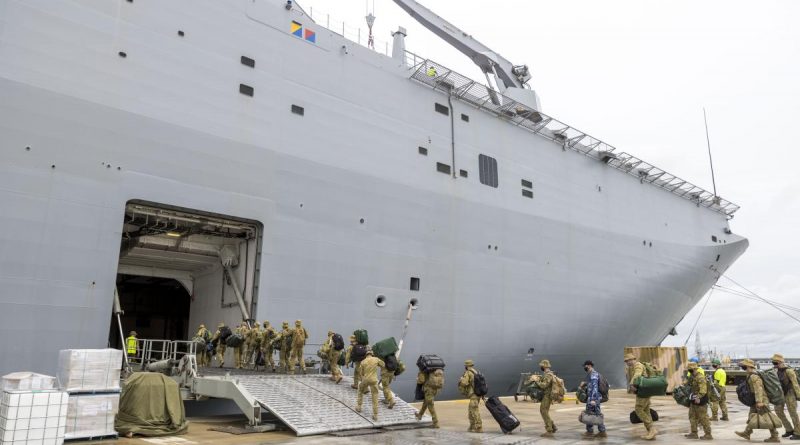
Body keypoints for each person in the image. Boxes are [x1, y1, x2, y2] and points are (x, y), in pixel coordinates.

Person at [736, 359, 781, 442]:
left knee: (767, 417)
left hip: (761, 400)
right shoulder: (750, 375)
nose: (743, 367)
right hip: (756, 400)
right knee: (751, 415)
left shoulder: (754, 376)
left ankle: (775, 436)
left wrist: (759, 401)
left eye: (744, 366)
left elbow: (759, 389)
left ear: (749, 366)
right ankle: (747, 433)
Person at [625, 352, 658, 440]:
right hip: (645, 390)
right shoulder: (634, 367)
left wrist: (632, 384)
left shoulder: (638, 365)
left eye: (628, 360)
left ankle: (652, 429)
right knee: (646, 411)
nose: (627, 362)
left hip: (643, 391)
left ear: (633, 359)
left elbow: (637, 374)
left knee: (638, 409)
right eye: (626, 361)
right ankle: (650, 431)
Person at [773, 353, 800, 440]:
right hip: (781, 394)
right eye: (774, 363)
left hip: (790, 393)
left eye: (776, 363)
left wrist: (798, 395)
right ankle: (789, 429)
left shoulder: (789, 371)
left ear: (781, 362)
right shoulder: (777, 371)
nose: (775, 364)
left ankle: (798, 432)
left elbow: (795, 384)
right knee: (778, 410)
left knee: (793, 413)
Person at [529, 359, 558, 437]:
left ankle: (549, 430)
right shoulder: (546, 374)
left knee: (543, 411)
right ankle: (553, 426)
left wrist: (536, 380)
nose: (540, 367)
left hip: (547, 396)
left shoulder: (548, 375)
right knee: (544, 411)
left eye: (541, 366)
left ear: (544, 366)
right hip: (546, 395)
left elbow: (544, 385)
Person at [685, 361, 713, 440]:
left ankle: (708, 434)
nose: (689, 371)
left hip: (700, 400)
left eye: (690, 369)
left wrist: (698, 397)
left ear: (694, 369)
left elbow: (703, 390)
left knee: (703, 418)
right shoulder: (692, 377)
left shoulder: (700, 377)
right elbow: (688, 384)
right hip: (694, 399)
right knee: (692, 416)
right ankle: (694, 433)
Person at [355, 350, 385, 421]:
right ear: (372, 354)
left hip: (365, 380)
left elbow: (361, 373)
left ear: (366, 354)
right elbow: (383, 365)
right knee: (375, 396)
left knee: (360, 391)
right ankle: (375, 415)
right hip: (374, 380)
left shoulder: (363, 362)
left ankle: (359, 407)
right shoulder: (376, 359)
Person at [580, 360, 607, 439]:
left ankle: (601, 430)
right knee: (590, 413)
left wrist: (593, 399)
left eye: (585, 366)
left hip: (594, 397)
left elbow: (594, 387)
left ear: (589, 365)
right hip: (592, 397)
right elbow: (591, 385)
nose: (584, 367)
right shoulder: (591, 374)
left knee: (596, 414)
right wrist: (585, 383)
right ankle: (590, 429)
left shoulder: (594, 374)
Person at [458, 359, 483, 433]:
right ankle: (472, 426)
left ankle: (479, 427)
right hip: (477, 394)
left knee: (474, 411)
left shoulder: (468, 373)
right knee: (470, 410)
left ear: (466, 366)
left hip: (473, 395)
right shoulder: (476, 372)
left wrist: (461, 379)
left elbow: (465, 383)